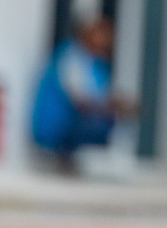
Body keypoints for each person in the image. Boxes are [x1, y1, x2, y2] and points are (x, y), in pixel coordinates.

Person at [30, 15, 137, 167]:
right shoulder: (70, 56)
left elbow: (100, 94)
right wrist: (110, 106)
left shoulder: (96, 64)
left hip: (73, 121)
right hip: (56, 126)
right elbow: (80, 100)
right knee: (99, 124)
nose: (105, 41)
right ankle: (63, 157)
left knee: (112, 122)